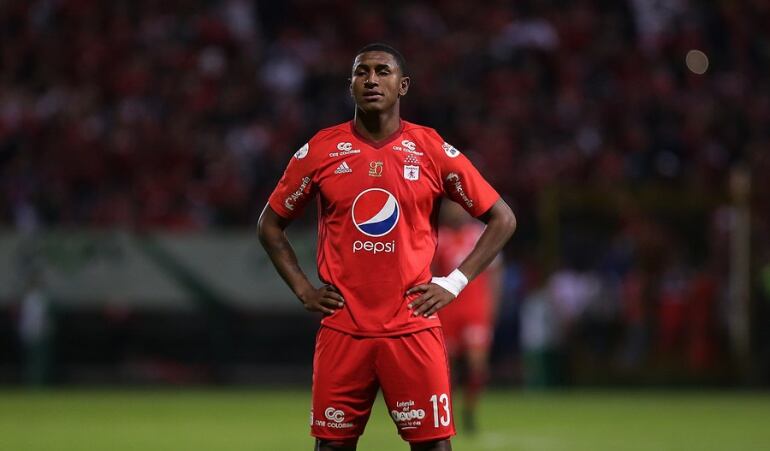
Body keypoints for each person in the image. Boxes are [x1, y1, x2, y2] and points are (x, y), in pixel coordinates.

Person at [258, 43, 516, 451]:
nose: (372, 80)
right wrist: (304, 289)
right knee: (331, 446)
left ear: (403, 85)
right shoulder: (321, 150)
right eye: (362, 72)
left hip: (412, 326)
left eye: (383, 71)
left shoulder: (430, 148)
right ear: (350, 85)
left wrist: (454, 282)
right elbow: (270, 225)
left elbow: (503, 218)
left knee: (433, 446)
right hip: (344, 328)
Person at [432, 201, 502, 434]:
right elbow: (430, 273)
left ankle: (470, 410)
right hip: (447, 311)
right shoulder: (438, 237)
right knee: (445, 367)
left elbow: (494, 274)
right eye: (450, 207)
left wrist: (492, 308)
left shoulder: (481, 234)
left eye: (458, 206)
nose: (454, 211)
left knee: (477, 365)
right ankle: (445, 413)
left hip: (475, 311)